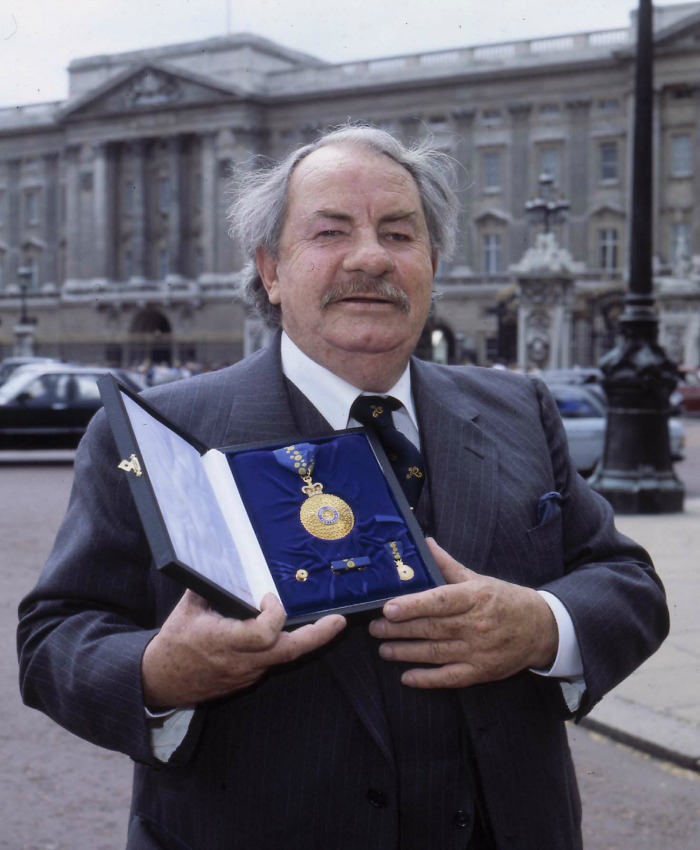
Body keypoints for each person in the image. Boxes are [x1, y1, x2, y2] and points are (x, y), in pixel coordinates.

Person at [17, 125, 669, 850]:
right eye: (330, 233)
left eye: (399, 234)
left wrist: (543, 626)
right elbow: (55, 639)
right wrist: (161, 673)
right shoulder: (161, 430)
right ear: (270, 270)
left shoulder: (518, 408)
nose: (370, 257)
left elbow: (627, 581)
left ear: (431, 263)